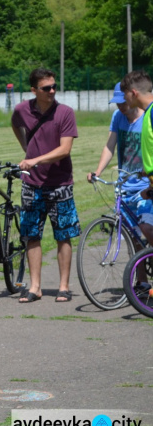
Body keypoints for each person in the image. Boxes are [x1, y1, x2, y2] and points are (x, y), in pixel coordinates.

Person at [11, 68, 79, 303]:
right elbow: (15, 124)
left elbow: (65, 149)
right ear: (33, 90)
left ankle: (63, 287)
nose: (52, 91)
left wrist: (34, 159)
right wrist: (26, 148)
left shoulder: (65, 113)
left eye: (54, 86)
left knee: (64, 234)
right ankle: (35, 287)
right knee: (31, 235)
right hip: (32, 184)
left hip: (60, 182)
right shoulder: (22, 109)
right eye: (46, 88)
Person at [87, 82, 153, 244]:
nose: (120, 106)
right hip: (125, 186)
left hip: (145, 185)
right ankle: (137, 268)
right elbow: (110, 146)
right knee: (133, 239)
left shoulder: (147, 116)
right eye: (117, 102)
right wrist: (98, 171)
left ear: (131, 97)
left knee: (146, 228)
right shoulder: (117, 117)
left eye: (123, 101)